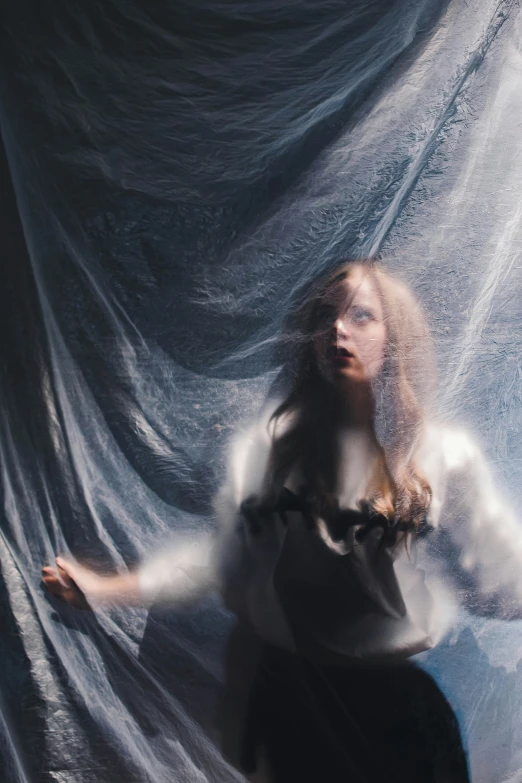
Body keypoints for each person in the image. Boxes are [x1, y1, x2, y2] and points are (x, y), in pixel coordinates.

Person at [43, 260, 522, 782]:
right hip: (294, 711)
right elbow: (217, 562)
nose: (338, 328)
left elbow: (506, 576)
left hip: (398, 722)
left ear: (396, 336)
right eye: (326, 315)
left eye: (361, 315)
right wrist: (104, 591)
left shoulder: (445, 455)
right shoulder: (270, 450)